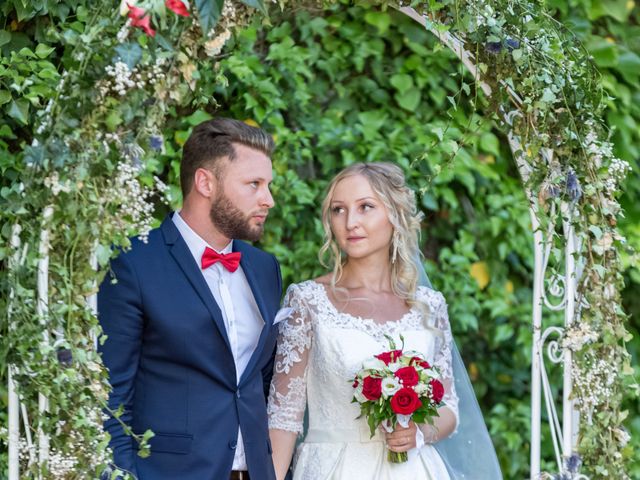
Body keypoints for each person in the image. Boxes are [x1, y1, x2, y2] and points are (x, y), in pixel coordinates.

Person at [267, 162, 501, 479]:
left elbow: (448, 409)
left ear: (394, 215)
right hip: (335, 469)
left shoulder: (429, 306)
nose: (350, 222)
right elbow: (284, 417)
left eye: (366, 207)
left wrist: (420, 431)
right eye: (338, 210)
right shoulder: (308, 301)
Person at [98, 118, 281, 480]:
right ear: (205, 182)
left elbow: (262, 383)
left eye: (268, 185)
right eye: (254, 185)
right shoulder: (135, 264)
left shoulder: (264, 268)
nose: (268, 200)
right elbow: (110, 396)